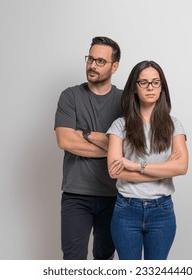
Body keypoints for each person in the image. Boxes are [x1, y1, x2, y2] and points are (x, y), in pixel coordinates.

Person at [106, 60, 189, 260]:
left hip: (162, 211)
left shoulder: (173, 125)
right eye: (143, 82)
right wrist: (163, 169)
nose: (150, 87)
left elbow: (181, 167)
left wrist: (135, 165)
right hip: (126, 210)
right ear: (134, 87)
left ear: (162, 87)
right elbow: (114, 171)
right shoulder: (119, 126)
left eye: (155, 82)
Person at [54, 36, 122, 260]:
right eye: (90, 59)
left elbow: (128, 148)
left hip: (114, 195)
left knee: (104, 260)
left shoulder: (125, 101)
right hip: (76, 195)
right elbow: (65, 141)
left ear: (115, 66)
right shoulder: (70, 96)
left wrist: (82, 133)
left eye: (100, 61)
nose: (92, 65)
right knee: (73, 263)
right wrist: (110, 146)